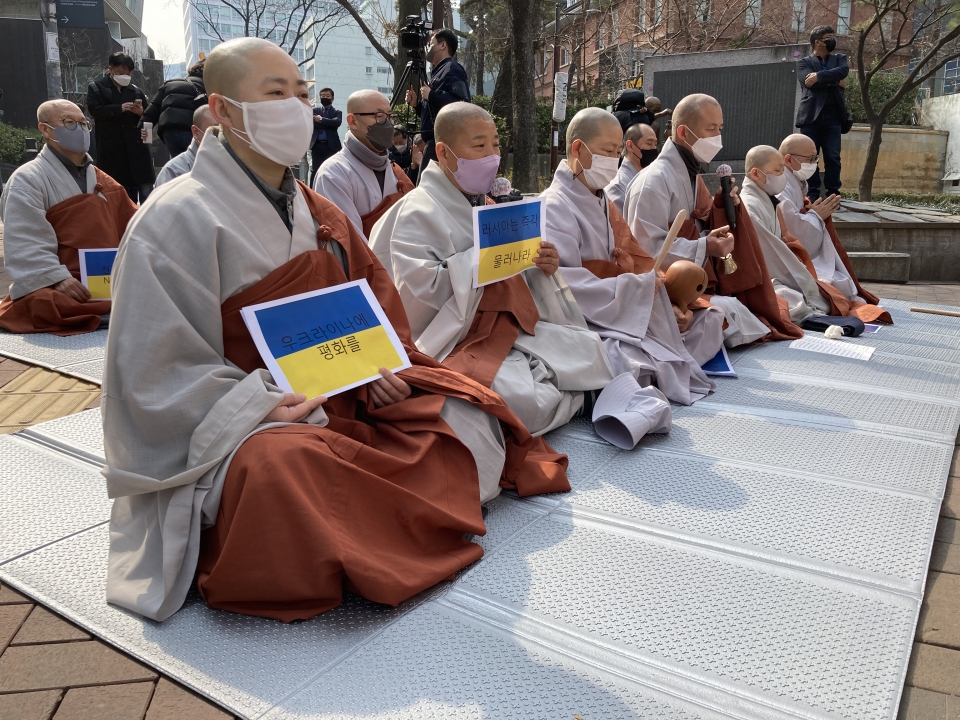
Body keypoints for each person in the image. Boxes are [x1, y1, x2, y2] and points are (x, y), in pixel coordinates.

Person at [102, 37, 563, 624]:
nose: (295, 108)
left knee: (464, 413)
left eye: (300, 93)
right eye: (275, 94)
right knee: (281, 470)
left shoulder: (319, 210)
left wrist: (385, 371)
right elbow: (152, 373)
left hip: (346, 396)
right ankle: (365, 529)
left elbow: (379, 312)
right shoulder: (172, 220)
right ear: (221, 110)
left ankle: (373, 521)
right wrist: (260, 404)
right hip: (252, 423)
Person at [370, 102, 617, 438]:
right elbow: (417, 295)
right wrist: (482, 262)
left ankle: (573, 394)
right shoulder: (415, 212)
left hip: (504, 325)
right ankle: (574, 397)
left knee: (593, 351)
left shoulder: (483, 204)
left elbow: (516, 275)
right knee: (519, 399)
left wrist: (542, 263)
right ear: (444, 153)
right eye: (479, 145)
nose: (492, 155)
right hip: (453, 340)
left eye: (496, 144)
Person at [542, 108, 715, 404]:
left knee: (709, 319)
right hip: (587, 316)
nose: (615, 159)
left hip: (617, 302)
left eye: (617, 150)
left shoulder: (600, 198)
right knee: (634, 360)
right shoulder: (554, 205)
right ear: (578, 148)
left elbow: (636, 257)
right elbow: (563, 284)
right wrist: (640, 294)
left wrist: (660, 296)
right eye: (607, 150)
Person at [624, 93, 803, 347]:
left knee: (760, 308)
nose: (717, 137)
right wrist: (703, 246)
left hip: (698, 279)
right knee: (730, 313)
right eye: (710, 129)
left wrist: (722, 206)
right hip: (667, 289)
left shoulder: (691, 175)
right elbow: (647, 252)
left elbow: (702, 223)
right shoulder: (653, 182)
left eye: (719, 129)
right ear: (684, 133)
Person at [0, 99, 137, 335]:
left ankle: (109, 307)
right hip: (65, 279)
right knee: (47, 302)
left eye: (84, 124)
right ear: (44, 129)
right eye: (69, 123)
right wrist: (56, 278)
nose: (80, 130)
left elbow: (135, 224)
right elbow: (24, 240)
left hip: (107, 277)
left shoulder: (102, 179)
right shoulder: (28, 179)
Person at [777, 133, 889, 319]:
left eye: (816, 158)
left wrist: (813, 214)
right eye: (810, 159)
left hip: (800, 254)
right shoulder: (781, 185)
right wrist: (815, 215)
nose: (814, 163)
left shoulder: (793, 180)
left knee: (839, 281)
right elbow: (791, 230)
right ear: (788, 159)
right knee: (834, 284)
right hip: (785, 258)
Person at [740, 146, 831, 324]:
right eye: (777, 170)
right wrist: (804, 282)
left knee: (823, 292)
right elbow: (771, 257)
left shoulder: (765, 198)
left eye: (783, 170)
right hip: (759, 279)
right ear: (756, 174)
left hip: (772, 273)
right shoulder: (750, 206)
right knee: (796, 301)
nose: (782, 176)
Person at [312, 90, 415, 240]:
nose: (389, 124)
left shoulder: (394, 170)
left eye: (390, 117)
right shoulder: (334, 173)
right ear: (353, 121)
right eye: (379, 116)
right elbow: (352, 245)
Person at [87, 52, 155, 203]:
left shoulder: (136, 91)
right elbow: (94, 110)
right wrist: (119, 108)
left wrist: (141, 113)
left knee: (147, 201)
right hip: (112, 155)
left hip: (138, 154)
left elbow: (150, 117)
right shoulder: (96, 88)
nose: (125, 76)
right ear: (110, 69)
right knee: (120, 200)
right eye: (120, 72)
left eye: (128, 73)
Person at [404, 29, 471, 180]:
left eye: (431, 44)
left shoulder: (452, 68)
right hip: (434, 141)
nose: (428, 48)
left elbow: (461, 104)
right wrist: (417, 105)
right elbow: (437, 112)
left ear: (443, 45)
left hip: (444, 143)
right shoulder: (438, 72)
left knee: (428, 192)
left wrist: (432, 95)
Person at [796, 25, 848, 200]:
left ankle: (833, 194)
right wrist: (835, 80)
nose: (833, 39)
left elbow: (843, 71)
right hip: (811, 118)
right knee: (810, 158)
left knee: (833, 157)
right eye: (828, 37)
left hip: (834, 117)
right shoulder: (804, 62)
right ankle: (812, 195)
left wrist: (818, 76)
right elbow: (807, 82)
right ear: (818, 42)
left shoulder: (840, 58)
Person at [139, 58, 207, 158]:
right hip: (189, 131)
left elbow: (152, 110)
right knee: (195, 164)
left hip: (168, 132)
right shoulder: (206, 87)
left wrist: (144, 129)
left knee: (180, 163)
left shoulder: (169, 84)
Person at [153, 105, 218, 187]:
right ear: (195, 132)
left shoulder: (232, 165)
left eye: (226, 131)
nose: (221, 136)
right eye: (215, 131)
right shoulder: (174, 171)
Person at [605, 122, 658, 215]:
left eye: (655, 144)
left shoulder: (652, 178)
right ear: (630, 146)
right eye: (649, 143)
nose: (653, 148)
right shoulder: (618, 187)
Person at [310, 87, 342, 183]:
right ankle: (312, 192)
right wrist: (328, 123)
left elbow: (336, 123)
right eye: (322, 96)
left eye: (327, 96)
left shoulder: (337, 112)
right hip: (317, 145)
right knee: (315, 170)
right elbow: (312, 123)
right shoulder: (314, 110)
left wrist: (320, 120)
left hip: (331, 146)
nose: (325, 98)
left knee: (331, 170)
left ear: (332, 98)